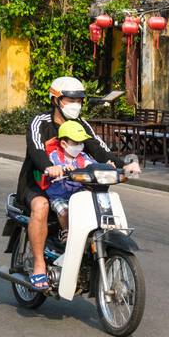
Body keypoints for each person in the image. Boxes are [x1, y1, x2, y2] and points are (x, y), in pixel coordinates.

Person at [17, 76, 141, 291]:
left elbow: (100, 149)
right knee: (41, 206)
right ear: (56, 100)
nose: (76, 105)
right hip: (39, 182)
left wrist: (123, 165)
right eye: (70, 100)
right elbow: (36, 150)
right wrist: (49, 166)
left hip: (71, 183)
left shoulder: (81, 125)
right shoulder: (40, 122)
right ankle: (39, 266)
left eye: (79, 101)